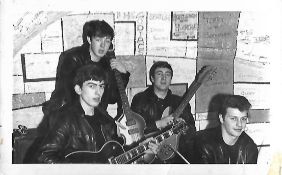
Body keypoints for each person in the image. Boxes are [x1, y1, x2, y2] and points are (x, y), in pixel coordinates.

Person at [34, 64, 158, 163]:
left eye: (101, 86)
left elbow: (116, 155)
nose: (98, 92)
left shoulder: (106, 120)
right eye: (92, 86)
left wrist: (142, 151)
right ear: (78, 89)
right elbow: (44, 156)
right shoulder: (65, 118)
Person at [39, 20, 130, 135]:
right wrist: (107, 122)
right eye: (98, 40)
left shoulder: (107, 64)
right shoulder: (72, 58)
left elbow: (111, 98)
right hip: (66, 115)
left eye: (107, 41)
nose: (103, 45)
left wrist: (123, 74)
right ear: (89, 39)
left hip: (93, 115)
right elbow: (71, 96)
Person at [131, 61, 196, 163]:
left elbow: (192, 131)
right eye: (159, 74)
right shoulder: (140, 100)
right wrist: (159, 124)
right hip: (148, 157)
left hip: (174, 158)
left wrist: (183, 126)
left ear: (171, 79)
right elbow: (133, 131)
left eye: (167, 74)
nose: (164, 78)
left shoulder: (180, 102)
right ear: (152, 78)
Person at [192, 95, 258, 164]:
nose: (239, 124)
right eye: (233, 118)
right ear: (221, 118)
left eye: (243, 119)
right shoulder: (203, 145)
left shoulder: (250, 147)